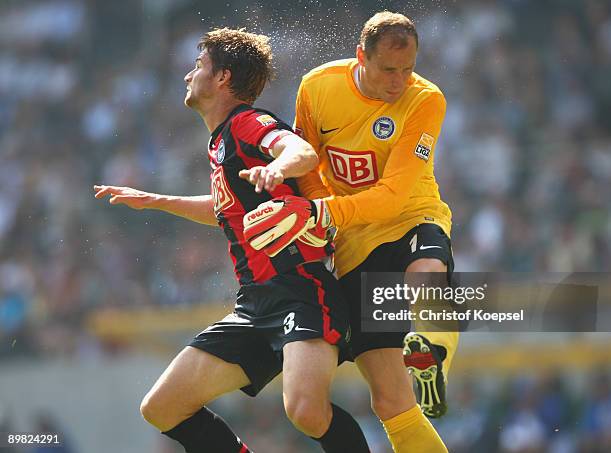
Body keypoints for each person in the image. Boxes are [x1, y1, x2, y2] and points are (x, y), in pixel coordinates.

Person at [93, 28, 369, 453]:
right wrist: (154, 200)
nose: (189, 75)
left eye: (198, 66)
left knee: (305, 410)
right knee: (162, 408)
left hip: (301, 290)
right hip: (253, 304)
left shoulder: (245, 123)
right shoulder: (220, 141)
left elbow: (300, 152)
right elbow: (226, 209)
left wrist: (278, 169)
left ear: (222, 77)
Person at [244, 11, 454, 452]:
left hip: (413, 214)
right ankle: (424, 365)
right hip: (352, 238)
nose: (399, 81)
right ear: (361, 56)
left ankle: (432, 354)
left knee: (426, 269)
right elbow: (308, 167)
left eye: (408, 69)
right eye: (388, 70)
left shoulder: (426, 100)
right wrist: (323, 217)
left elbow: (395, 194)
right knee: (391, 401)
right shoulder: (318, 87)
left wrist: (320, 213)